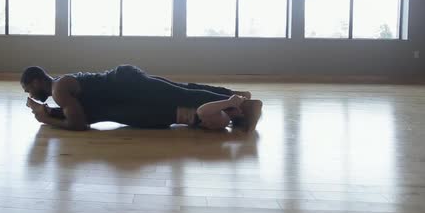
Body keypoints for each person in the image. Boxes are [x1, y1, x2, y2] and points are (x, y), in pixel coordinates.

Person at [21, 64, 262, 131]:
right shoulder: (60, 90)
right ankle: (235, 98)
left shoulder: (58, 89)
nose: (30, 94)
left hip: (128, 86)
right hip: (128, 91)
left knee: (181, 94)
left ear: (35, 81)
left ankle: (243, 105)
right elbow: (81, 113)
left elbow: (78, 124)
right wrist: (46, 112)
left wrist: (46, 119)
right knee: (179, 90)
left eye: (28, 90)